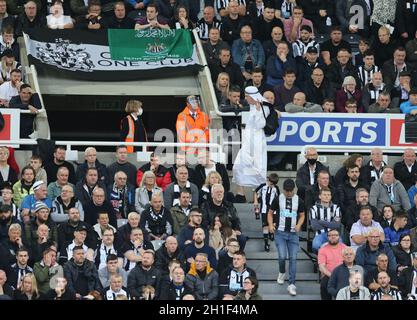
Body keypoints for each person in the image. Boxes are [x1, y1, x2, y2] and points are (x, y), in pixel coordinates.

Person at [268, 179, 305, 296]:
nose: (288, 193)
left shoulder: (299, 200)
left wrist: (299, 224)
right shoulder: (278, 198)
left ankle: (292, 284)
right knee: (282, 256)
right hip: (280, 232)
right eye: (286, 191)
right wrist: (270, 224)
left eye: (290, 191)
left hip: (293, 234)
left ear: (294, 189)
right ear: (283, 189)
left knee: (293, 258)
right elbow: (270, 212)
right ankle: (282, 271)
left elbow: (302, 215)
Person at [232, 86, 269, 199]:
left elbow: (260, 125)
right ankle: (240, 194)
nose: (246, 99)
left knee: (257, 169)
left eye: (247, 97)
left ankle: (257, 198)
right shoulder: (251, 105)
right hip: (248, 141)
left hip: (257, 142)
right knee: (238, 165)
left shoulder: (263, 106)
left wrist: (258, 112)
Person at [309, 187, 342, 252]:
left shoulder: (336, 208)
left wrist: (320, 221)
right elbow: (315, 226)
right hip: (320, 234)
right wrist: (330, 224)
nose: (327, 197)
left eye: (328, 195)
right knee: (315, 245)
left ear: (331, 197)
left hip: (334, 234)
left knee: (340, 244)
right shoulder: (313, 209)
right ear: (320, 196)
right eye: (324, 195)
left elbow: (336, 225)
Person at [253, 173, 280, 252]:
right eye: (271, 183)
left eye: (273, 184)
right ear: (268, 180)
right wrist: (255, 201)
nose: (272, 185)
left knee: (272, 224)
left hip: (273, 210)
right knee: (265, 226)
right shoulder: (263, 186)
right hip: (264, 209)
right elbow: (255, 192)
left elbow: (278, 197)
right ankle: (266, 243)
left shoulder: (276, 188)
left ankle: (271, 233)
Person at [318, 229, 346, 300]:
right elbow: (321, 267)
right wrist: (332, 276)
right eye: (330, 235)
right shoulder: (323, 250)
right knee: (324, 285)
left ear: (339, 237)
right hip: (328, 275)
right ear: (327, 237)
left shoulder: (345, 248)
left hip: (343, 274)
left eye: (335, 235)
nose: (333, 237)